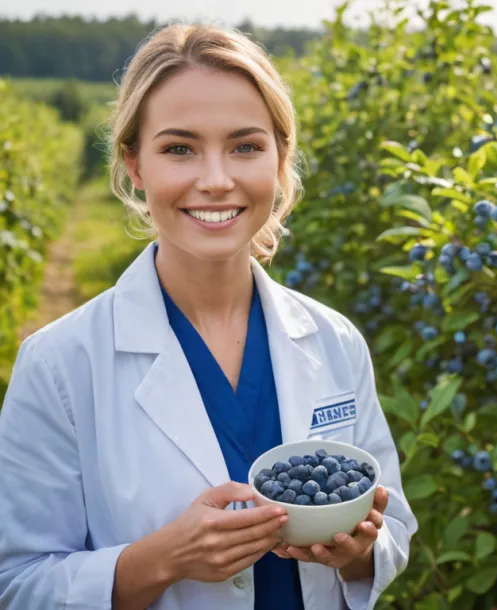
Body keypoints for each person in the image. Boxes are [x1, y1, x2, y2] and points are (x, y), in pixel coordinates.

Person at [0, 23, 417, 609]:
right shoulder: (58, 364)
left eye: (246, 146)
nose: (216, 180)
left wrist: (358, 553)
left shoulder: (333, 339)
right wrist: (164, 558)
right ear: (135, 166)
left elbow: (392, 525)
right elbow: (17, 584)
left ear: (279, 160)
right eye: (179, 149)